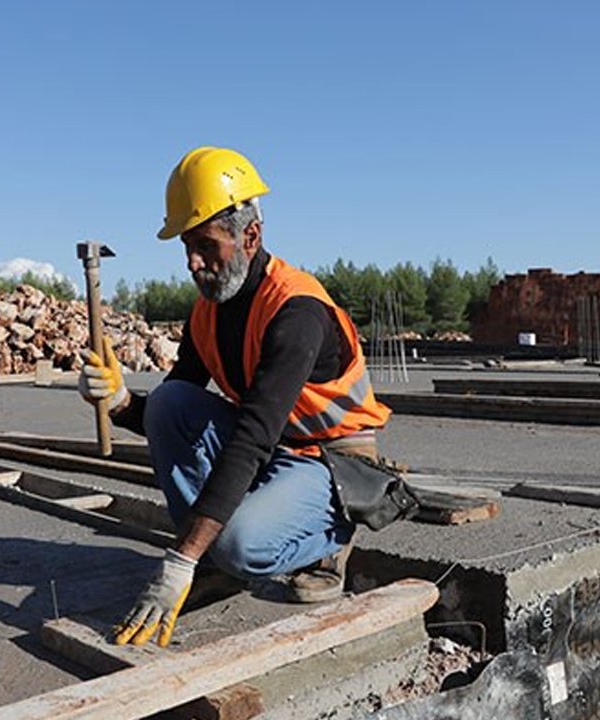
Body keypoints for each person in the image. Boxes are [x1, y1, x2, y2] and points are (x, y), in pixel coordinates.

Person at [78, 146, 391, 647]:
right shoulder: (209, 311)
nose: (193, 264)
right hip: (277, 451)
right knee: (171, 402)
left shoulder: (296, 311)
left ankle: (329, 541)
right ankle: (214, 555)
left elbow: (251, 437)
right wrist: (119, 402)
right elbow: (172, 415)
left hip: (333, 463)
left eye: (206, 246)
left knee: (242, 543)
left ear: (251, 235)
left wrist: (178, 562)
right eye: (186, 248)